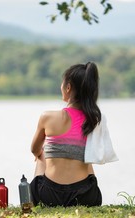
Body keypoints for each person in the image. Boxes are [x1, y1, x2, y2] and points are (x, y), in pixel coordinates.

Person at [30, 62, 105, 207]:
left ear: (68, 87)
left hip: (48, 195)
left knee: (41, 152)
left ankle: (35, 202)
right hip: (84, 197)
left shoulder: (47, 117)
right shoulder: (94, 120)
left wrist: (42, 152)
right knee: (86, 154)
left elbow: (34, 149)